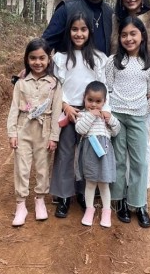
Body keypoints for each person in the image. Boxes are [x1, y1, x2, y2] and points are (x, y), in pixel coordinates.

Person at [50, 12, 109, 218]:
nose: (79, 33)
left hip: (90, 113)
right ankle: (64, 196)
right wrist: (65, 105)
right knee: (65, 153)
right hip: (67, 110)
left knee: (87, 155)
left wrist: (98, 111)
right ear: (69, 31)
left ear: (89, 32)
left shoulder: (99, 58)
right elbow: (57, 86)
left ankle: (85, 194)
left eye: (83, 29)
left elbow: (103, 87)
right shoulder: (61, 57)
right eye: (74, 29)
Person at [111, 0, 150, 188]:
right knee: (118, 141)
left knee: (141, 143)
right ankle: (120, 191)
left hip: (145, 92)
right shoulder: (115, 20)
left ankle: (140, 191)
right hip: (118, 90)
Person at [106, 17, 150, 228]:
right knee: (118, 159)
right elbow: (108, 88)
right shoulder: (113, 62)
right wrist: (110, 114)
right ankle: (119, 201)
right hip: (117, 117)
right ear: (119, 38)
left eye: (133, 34)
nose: (129, 38)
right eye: (124, 35)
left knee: (139, 161)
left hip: (138, 118)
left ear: (142, 36)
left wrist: (142, 111)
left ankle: (139, 203)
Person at [7, 38, 62, 227]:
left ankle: (40, 199)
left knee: (42, 166)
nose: (37, 62)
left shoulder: (54, 84)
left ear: (49, 60)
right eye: (33, 58)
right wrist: (12, 133)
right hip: (24, 127)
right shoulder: (21, 83)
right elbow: (14, 108)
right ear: (27, 59)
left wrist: (54, 136)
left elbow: (56, 112)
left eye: (42, 58)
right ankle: (20, 204)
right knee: (21, 168)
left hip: (44, 129)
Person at [75, 81, 121, 227]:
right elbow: (80, 129)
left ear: (104, 101)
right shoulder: (82, 114)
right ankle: (90, 209)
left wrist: (111, 120)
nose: (94, 105)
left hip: (105, 154)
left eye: (98, 101)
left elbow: (116, 131)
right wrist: (90, 116)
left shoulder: (106, 116)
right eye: (90, 100)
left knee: (104, 184)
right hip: (89, 153)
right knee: (90, 183)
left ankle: (106, 212)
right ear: (84, 98)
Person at [42, 0, 113, 56]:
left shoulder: (110, 13)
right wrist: (31, 67)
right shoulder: (66, 9)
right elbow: (45, 44)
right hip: (68, 69)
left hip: (102, 70)